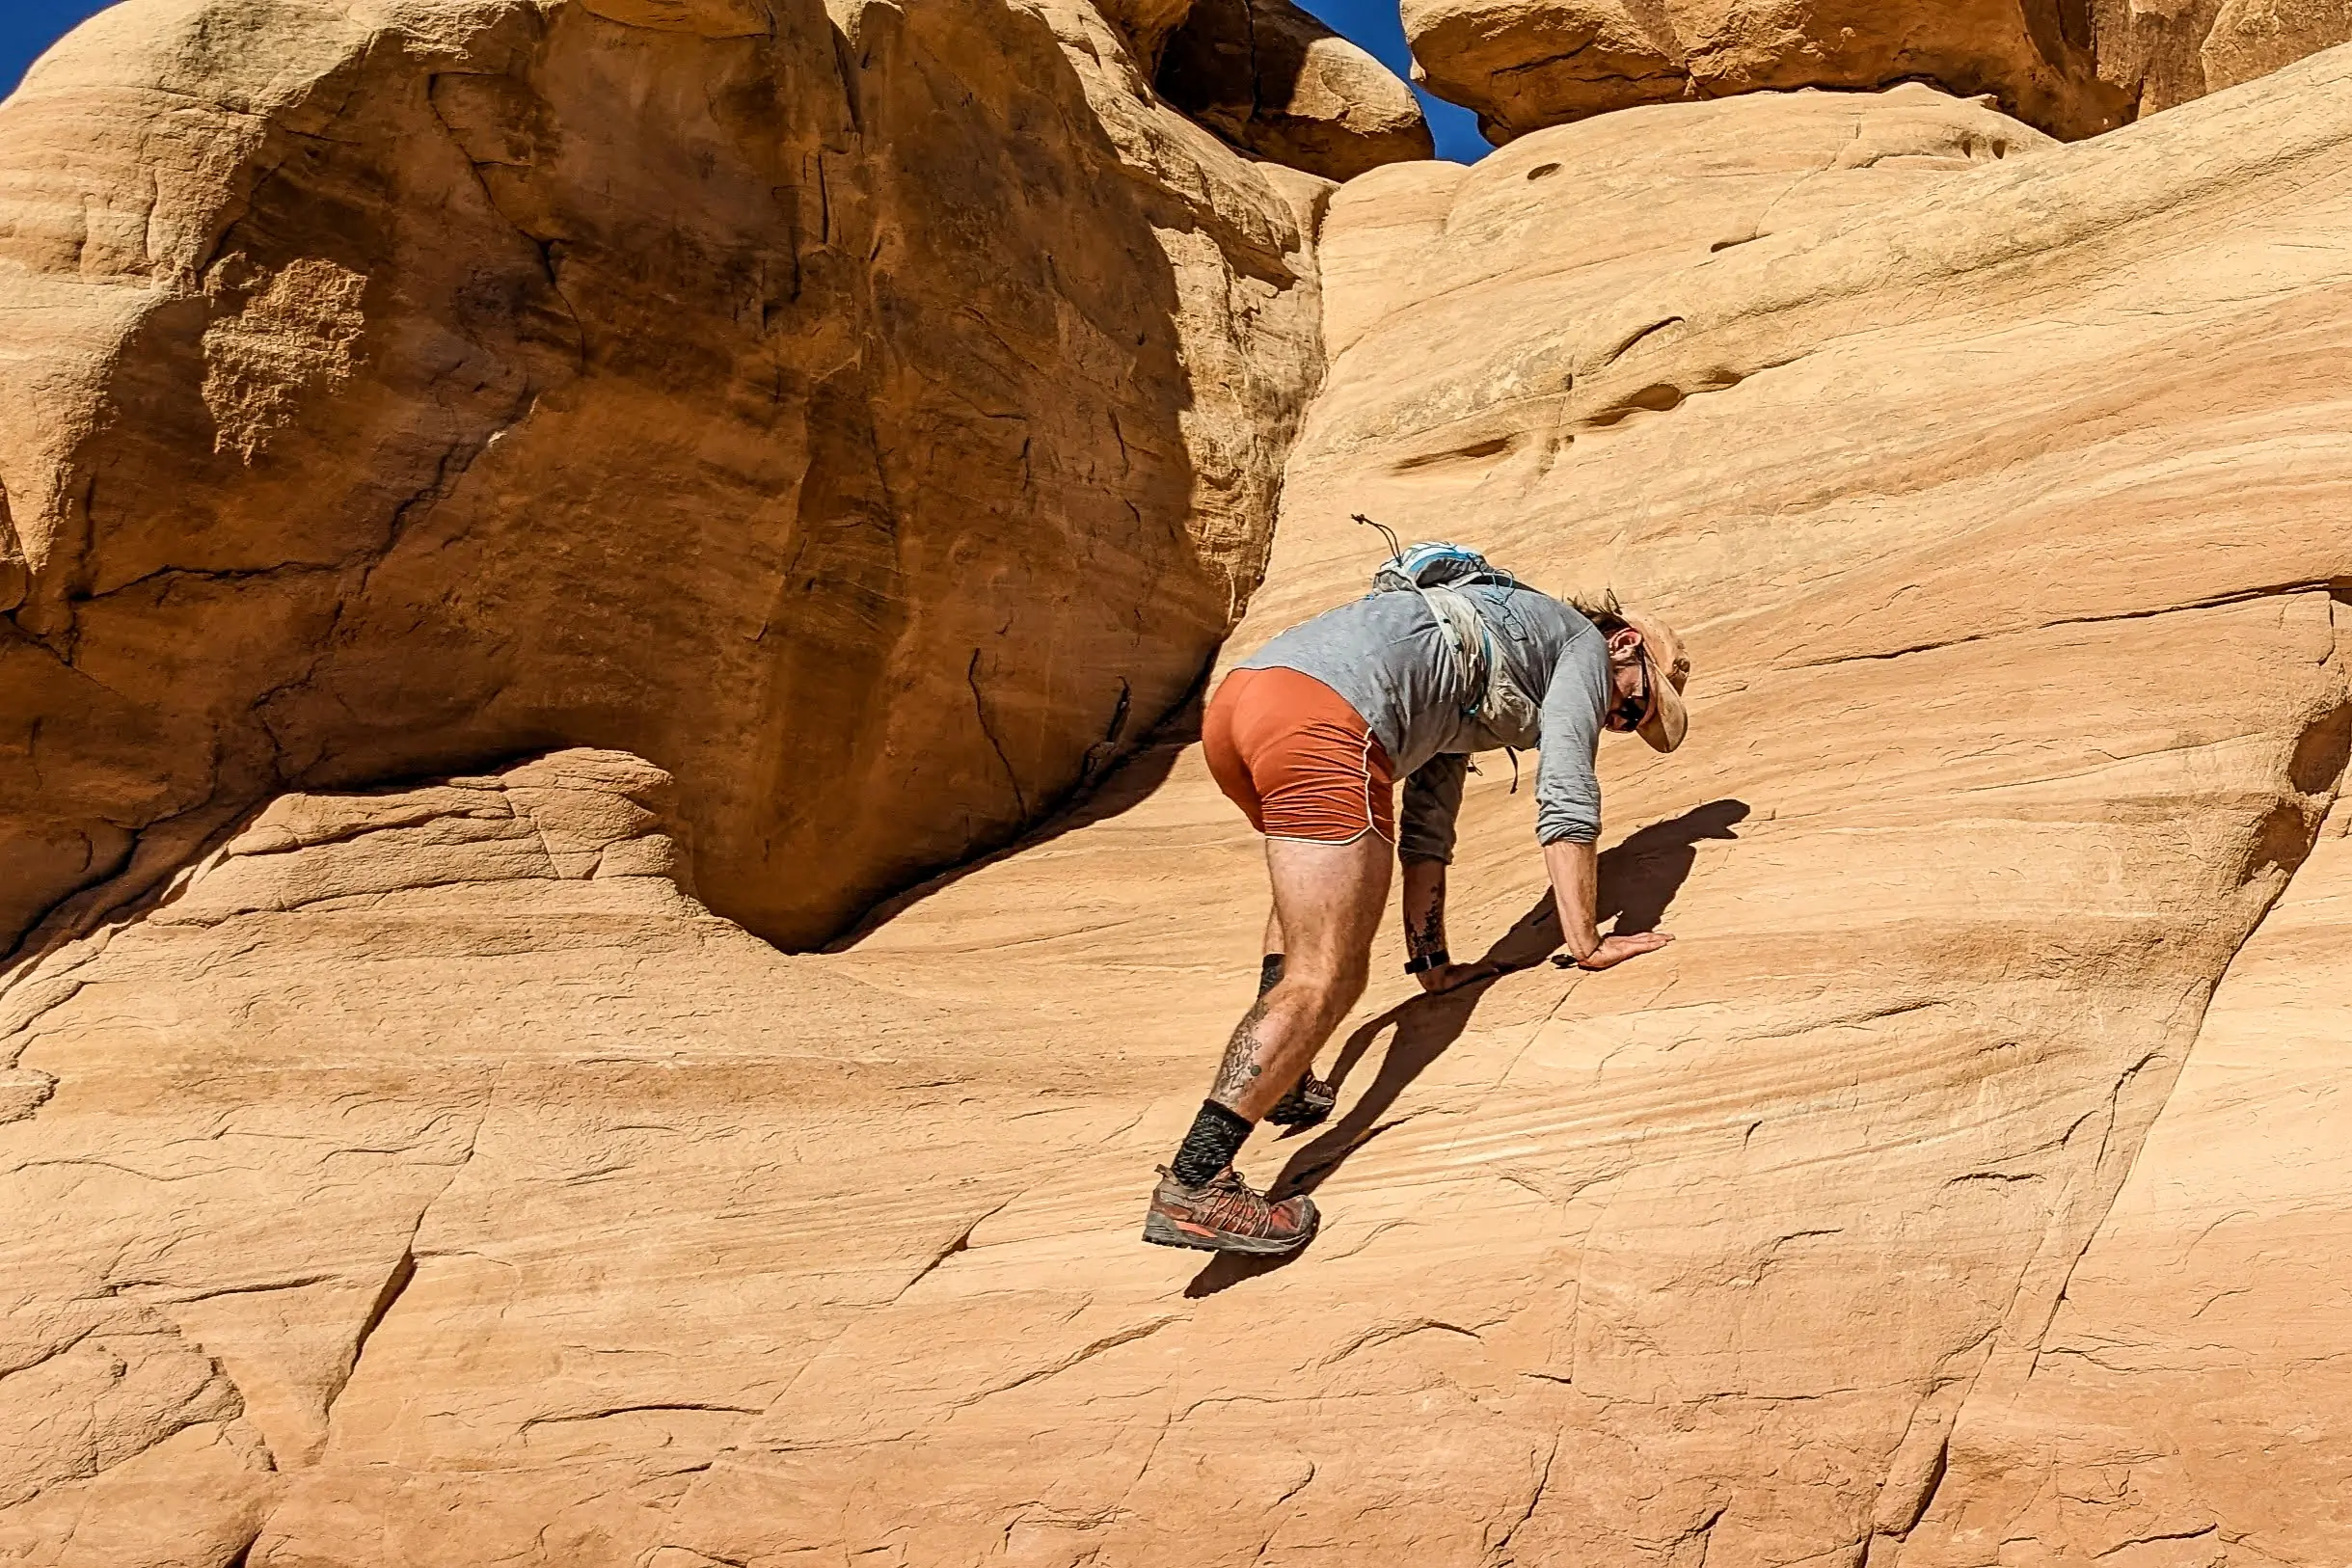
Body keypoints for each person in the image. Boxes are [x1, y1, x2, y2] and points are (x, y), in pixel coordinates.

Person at [1140, 542, 1691, 1255]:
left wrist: (1431, 963)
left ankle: (1286, 1075)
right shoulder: (1580, 647)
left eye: (1632, 724)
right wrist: (1585, 941)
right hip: (1328, 717)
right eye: (1635, 703)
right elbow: (1566, 790)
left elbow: (1428, 826)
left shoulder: (1485, 650)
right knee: (1329, 973)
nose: (1620, 720)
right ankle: (1195, 1183)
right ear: (1623, 645)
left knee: (1310, 917)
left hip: (1246, 703)